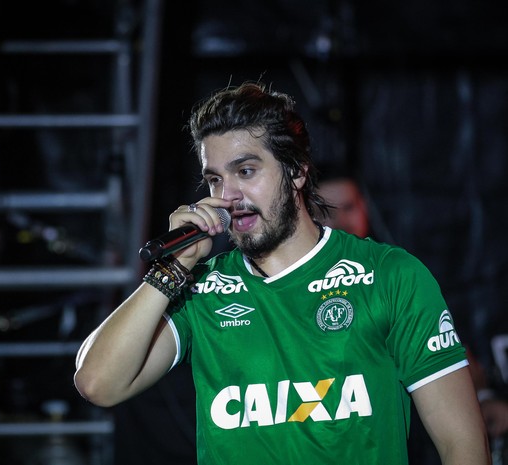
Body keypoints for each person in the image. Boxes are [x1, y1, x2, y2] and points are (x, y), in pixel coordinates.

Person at [74, 82, 490, 464]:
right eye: (214, 180)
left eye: (246, 171)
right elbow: (98, 383)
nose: (228, 196)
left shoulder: (389, 275)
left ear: (296, 171)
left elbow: (464, 446)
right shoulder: (199, 287)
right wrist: (172, 268)